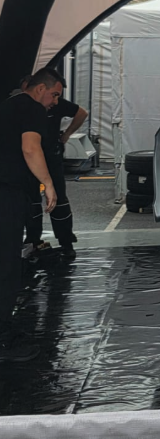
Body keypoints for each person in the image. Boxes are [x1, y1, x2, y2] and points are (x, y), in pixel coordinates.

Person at [0, 68, 61, 362]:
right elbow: (30, 147)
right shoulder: (32, 109)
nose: (55, 102)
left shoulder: (8, 105)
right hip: (7, 193)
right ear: (39, 89)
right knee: (7, 266)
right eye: (54, 95)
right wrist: (48, 183)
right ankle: (3, 339)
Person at [25, 86, 87, 259]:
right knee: (31, 200)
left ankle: (66, 241)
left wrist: (66, 135)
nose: (54, 101)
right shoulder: (25, 106)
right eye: (54, 96)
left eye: (57, 96)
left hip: (52, 156)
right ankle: (33, 240)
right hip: (30, 158)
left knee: (58, 200)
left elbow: (82, 113)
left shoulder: (57, 104)